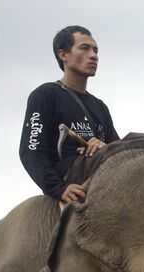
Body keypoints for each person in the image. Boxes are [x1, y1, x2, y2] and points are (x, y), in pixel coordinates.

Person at [19, 26, 120, 207]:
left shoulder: (99, 106)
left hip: (102, 168)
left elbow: (120, 151)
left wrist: (104, 147)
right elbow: (31, 151)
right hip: (72, 171)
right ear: (63, 55)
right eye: (84, 48)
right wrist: (58, 187)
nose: (93, 55)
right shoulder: (46, 95)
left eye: (95, 50)